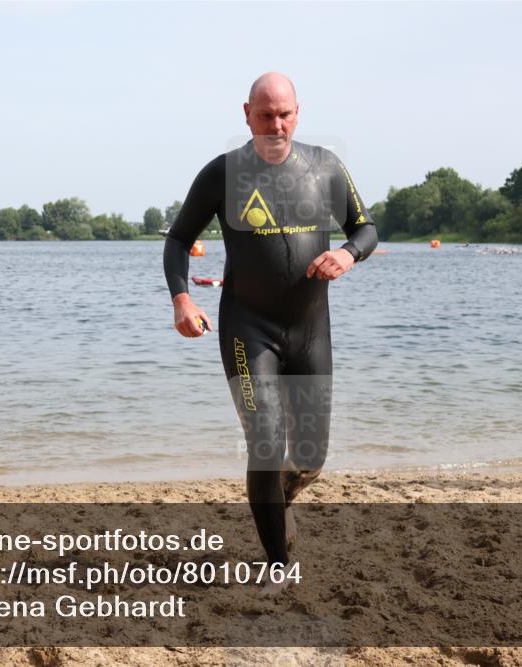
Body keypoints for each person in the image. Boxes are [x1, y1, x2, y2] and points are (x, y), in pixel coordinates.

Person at [163, 73, 377, 591]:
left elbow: (365, 229)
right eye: (265, 115)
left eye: (284, 114)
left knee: (310, 458)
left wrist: (347, 254)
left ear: (298, 112)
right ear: (246, 114)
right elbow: (177, 240)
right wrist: (183, 299)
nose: (276, 125)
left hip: (310, 329)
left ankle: (281, 499)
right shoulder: (223, 174)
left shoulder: (325, 166)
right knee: (265, 443)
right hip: (247, 327)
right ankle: (278, 565)